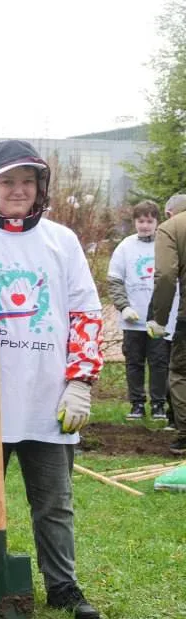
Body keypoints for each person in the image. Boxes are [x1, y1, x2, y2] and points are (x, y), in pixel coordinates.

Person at [0, 140, 103, 619]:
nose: (17, 190)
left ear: (40, 189)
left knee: (53, 502)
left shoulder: (62, 240)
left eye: (27, 181)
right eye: (7, 181)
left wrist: (81, 380)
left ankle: (63, 585)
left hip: (45, 395)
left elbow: (86, 311)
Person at [107, 200, 171, 421]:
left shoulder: (165, 245)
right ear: (135, 222)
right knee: (134, 362)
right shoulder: (125, 246)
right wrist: (124, 307)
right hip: (133, 319)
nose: (145, 225)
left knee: (159, 362)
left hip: (160, 319)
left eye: (149, 221)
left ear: (157, 222)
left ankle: (158, 405)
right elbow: (115, 280)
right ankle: (136, 404)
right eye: (140, 221)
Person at [150, 193, 186, 451]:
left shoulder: (171, 228)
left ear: (169, 213)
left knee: (181, 372)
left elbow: (165, 275)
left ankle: (184, 436)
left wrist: (159, 319)